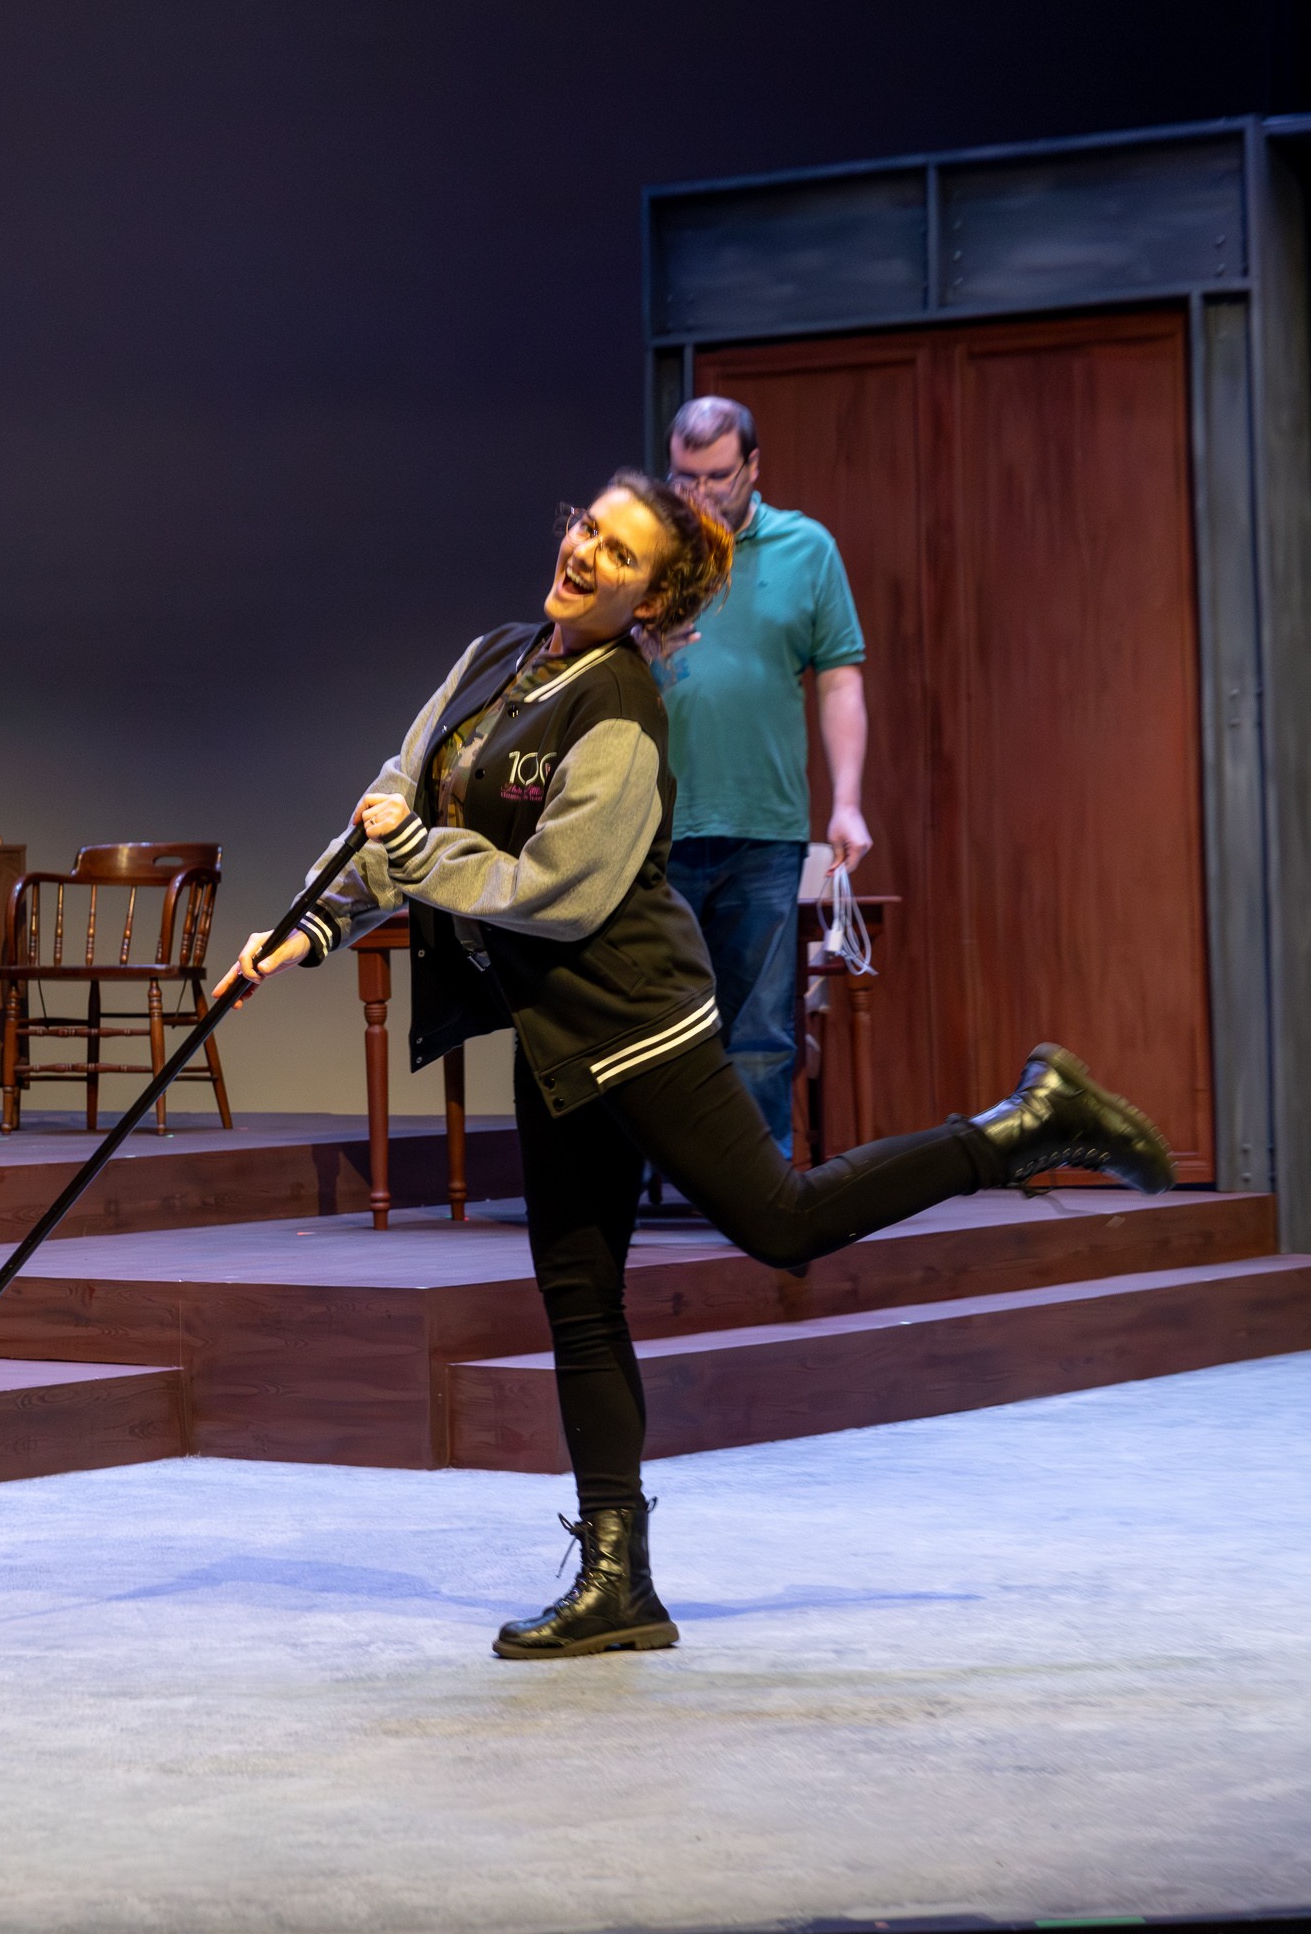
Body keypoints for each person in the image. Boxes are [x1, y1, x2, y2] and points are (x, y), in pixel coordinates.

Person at [215, 470, 1173, 1663]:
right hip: (555, 1035)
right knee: (578, 1298)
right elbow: (390, 806)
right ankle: (619, 1582)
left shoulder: (622, 706)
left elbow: (554, 896)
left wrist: (413, 850)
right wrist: (303, 927)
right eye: (586, 530)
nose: (586, 556)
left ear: (652, 601)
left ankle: (1026, 1125)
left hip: (635, 1021)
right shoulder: (491, 658)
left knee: (780, 1223)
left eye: (619, 557)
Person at [661, 395, 868, 1151]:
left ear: (752, 467)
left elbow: (839, 677)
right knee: (657, 1028)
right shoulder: (648, 545)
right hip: (656, 828)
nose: (700, 494)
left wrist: (846, 804)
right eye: (684, 477)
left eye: (717, 476)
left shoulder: (805, 548)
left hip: (763, 828)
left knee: (756, 1034)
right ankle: (660, 1186)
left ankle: (757, 1200)